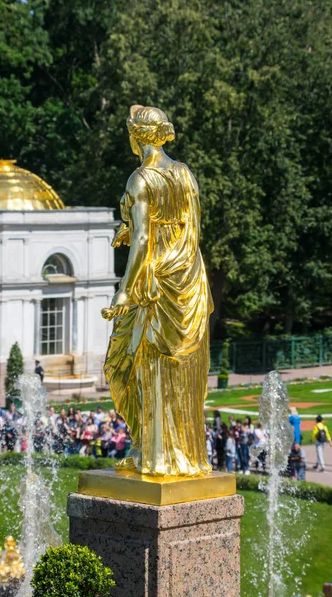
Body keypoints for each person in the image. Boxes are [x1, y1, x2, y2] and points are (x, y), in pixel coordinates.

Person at [101, 105, 213, 476]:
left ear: (136, 136)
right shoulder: (183, 173)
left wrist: (124, 290)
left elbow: (146, 237)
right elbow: (189, 230)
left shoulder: (140, 179)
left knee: (127, 366)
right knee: (178, 373)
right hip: (188, 281)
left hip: (152, 287)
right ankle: (180, 455)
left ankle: (153, 454)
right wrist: (132, 230)